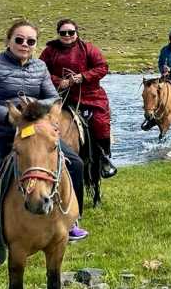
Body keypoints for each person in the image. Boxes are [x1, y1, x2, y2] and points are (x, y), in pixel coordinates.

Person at [0, 21, 88, 264]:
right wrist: (8, 115)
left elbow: (52, 97)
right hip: (0, 133)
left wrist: (39, 108)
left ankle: (71, 220)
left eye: (30, 41)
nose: (24, 45)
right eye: (19, 40)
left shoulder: (40, 67)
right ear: (9, 41)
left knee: (76, 164)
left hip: (34, 135)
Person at [39, 19, 116, 179]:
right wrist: (60, 81)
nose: (67, 35)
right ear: (58, 34)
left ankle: (103, 158)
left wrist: (84, 76)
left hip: (89, 95)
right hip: (60, 96)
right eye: (63, 33)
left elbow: (102, 67)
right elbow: (40, 71)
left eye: (70, 32)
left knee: (99, 123)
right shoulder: (49, 51)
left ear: (76, 33)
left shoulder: (88, 48)